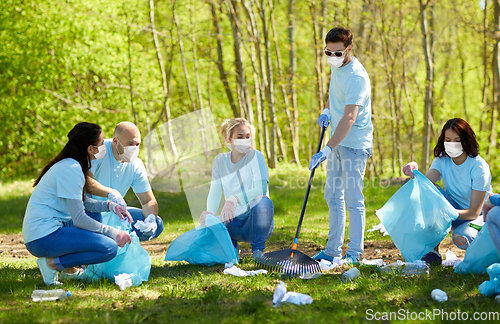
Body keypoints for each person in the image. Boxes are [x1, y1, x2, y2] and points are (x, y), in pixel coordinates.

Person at [22, 122, 132, 286]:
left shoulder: (71, 165)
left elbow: (83, 204)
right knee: (109, 247)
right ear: (90, 149)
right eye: (101, 144)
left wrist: (111, 206)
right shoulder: (72, 169)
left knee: (95, 215)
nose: (104, 147)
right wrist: (114, 233)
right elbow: (79, 218)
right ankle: (51, 264)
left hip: (49, 230)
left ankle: (71, 268)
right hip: (42, 237)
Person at [309, 27, 373, 264]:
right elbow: (336, 95)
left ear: (348, 50)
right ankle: (332, 250)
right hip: (337, 140)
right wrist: (327, 109)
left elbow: (349, 118)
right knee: (333, 196)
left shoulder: (357, 76)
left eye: (337, 53)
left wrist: (326, 149)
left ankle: (355, 253)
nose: (332, 57)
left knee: (353, 199)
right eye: (328, 52)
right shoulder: (337, 66)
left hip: (354, 144)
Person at [403, 117, 492, 265]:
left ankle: (486, 251)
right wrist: (413, 172)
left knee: (461, 238)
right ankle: (432, 253)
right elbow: (424, 185)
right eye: (448, 140)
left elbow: (475, 211)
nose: (452, 145)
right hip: (453, 211)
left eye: (457, 140)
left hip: (478, 217)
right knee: (430, 191)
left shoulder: (478, 167)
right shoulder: (442, 160)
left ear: (466, 140)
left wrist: (446, 212)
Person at [199, 118, 274, 260]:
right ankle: (232, 248)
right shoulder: (220, 161)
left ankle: (258, 252)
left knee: (264, 201)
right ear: (229, 139)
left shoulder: (256, 156)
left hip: (256, 222)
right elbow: (215, 191)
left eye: (248, 136)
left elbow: (261, 189)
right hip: (233, 222)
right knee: (210, 222)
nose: (245, 140)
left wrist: (234, 199)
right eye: (240, 137)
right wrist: (209, 213)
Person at [85, 121, 164, 241]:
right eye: (130, 144)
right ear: (115, 141)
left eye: (137, 144)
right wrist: (111, 193)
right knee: (95, 224)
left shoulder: (136, 165)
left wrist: (151, 220)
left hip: (116, 214)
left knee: (158, 223)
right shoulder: (99, 151)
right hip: (90, 212)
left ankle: (117, 239)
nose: (134, 148)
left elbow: (148, 201)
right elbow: (86, 182)